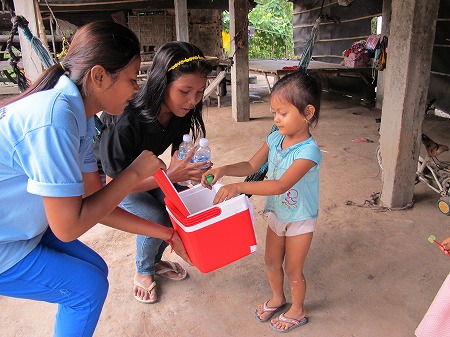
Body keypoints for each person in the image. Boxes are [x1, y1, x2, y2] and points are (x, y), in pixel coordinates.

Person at [0, 21, 192, 337]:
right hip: (8, 239)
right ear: (99, 76)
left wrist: (167, 234)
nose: (135, 89)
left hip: (21, 228)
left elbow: (96, 201)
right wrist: (134, 173)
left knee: (96, 271)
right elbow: (68, 227)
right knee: (86, 288)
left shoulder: (81, 117)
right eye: (132, 79)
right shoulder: (56, 118)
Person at [201, 71, 322, 333]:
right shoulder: (276, 139)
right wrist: (223, 170)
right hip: (278, 214)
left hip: (300, 218)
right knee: (270, 260)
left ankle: (298, 309)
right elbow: (252, 164)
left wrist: (239, 187)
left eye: (283, 113)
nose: (276, 119)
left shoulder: (309, 152)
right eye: (274, 112)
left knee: (293, 269)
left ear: (308, 112)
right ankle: (278, 298)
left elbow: (280, 185)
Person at [96, 41, 213, 304]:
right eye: (185, 91)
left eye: (199, 92)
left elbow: (177, 156)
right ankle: (143, 270)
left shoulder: (180, 111)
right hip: (110, 180)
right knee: (155, 215)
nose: (193, 101)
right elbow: (115, 185)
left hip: (146, 171)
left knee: (179, 206)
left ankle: (155, 260)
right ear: (162, 83)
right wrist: (171, 176)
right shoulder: (125, 119)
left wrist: (190, 172)